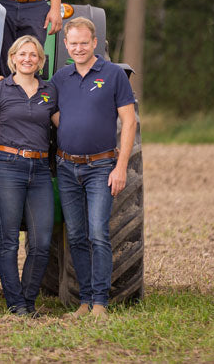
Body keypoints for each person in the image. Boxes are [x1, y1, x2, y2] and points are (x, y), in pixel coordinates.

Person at [50, 17, 136, 319]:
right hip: (67, 166)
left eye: (84, 43)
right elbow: (52, 112)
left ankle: (100, 302)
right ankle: (84, 302)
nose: (79, 48)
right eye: (73, 44)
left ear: (95, 42)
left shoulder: (113, 75)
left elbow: (129, 121)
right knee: (75, 236)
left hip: (101, 167)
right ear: (66, 45)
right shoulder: (61, 77)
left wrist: (121, 166)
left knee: (98, 232)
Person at [0, 35, 57, 317]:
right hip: (7, 167)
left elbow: (64, 126)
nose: (28, 59)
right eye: (22, 54)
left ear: (40, 61)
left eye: (33, 55)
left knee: (41, 243)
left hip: (39, 171)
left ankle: (27, 299)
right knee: (9, 240)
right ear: (12, 58)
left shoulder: (50, 91)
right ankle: (17, 306)